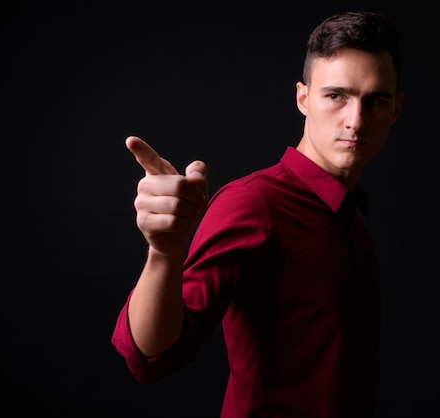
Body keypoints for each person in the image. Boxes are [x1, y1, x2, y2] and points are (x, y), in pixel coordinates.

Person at [112, 9, 404, 417]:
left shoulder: (352, 227)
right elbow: (149, 357)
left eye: (375, 100)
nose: (355, 120)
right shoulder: (254, 203)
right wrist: (164, 253)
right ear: (303, 98)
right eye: (336, 96)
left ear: (396, 110)